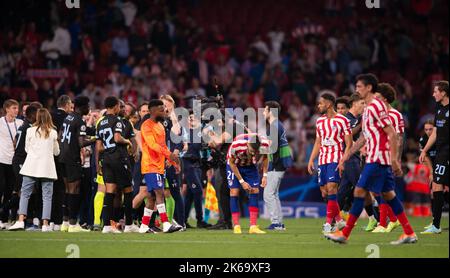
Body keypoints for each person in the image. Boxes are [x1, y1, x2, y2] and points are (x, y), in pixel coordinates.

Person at [326, 73, 417, 245]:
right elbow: (363, 138)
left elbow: (392, 133)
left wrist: (395, 160)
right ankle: (409, 232)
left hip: (378, 157)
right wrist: (346, 155)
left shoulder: (376, 107)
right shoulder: (368, 110)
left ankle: (345, 234)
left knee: (359, 191)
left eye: (360, 86)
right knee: (389, 194)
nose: (357, 89)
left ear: (369, 88)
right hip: (375, 157)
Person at [8, 108, 60, 232]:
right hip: (47, 168)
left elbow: (26, 149)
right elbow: (56, 152)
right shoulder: (53, 132)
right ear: (49, 118)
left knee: (25, 194)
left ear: (37, 117)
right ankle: (45, 224)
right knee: (47, 196)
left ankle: (20, 221)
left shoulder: (30, 131)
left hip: (31, 166)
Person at [307, 93, 352, 233]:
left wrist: (344, 160)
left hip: (336, 158)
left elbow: (349, 143)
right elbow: (318, 142)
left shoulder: (343, 120)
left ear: (328, 104)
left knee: (332, 187)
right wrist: (311, 160)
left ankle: (327, 223)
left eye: (321, 103)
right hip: (323, 159)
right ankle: (338, 220)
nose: (318, 106)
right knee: (325, 192)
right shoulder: (320, 121)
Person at [96, 96, 137, 233]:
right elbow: (117, 138)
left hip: (106, 159)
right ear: (115, 107)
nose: (121, 108)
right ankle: (130, 225)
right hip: (119, 158)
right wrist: (128, 142)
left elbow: (99, 147)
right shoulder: (117, 120)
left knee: (110, 191)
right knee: (128, 190)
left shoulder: (101, 123)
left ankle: (107, 226)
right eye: (119, 106)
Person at [140, 99, 181, 233]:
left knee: (151, 197)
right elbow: (152, 145)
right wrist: (170, 154)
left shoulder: (161, 126)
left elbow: (162, 146)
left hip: (159, 165)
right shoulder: (146, 125)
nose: (165, 111)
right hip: (150, 165)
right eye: (162, 109)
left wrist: (173, 161)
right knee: (160, 193)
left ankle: (144, 226)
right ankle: (166, 224)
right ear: (153, 111)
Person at [371, 83, 405, 233]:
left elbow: (398, 138)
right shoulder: (375, 113)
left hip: (388, 157)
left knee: (384, 189)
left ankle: (383, 223)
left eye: (377, 97)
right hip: (375, 156)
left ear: (384, 99)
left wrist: (396, 159)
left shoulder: (395, 115)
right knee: (378, 189)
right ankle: (393, 220)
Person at [59, 96, 95, 232]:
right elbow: (81, 143)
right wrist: (96, 139)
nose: (89, 108)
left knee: (67, 189)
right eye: (87, 106)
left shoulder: (68, 118)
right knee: (75, 189)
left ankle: (65, 222)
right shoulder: (79, 121)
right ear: (82, 107)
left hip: (62, 156)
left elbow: (60, 134)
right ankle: (74, 224)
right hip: (72, 158)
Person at [419, 80, 449, 234]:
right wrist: (425, 150)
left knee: (439, 185)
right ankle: (436, 225)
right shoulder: (438, 109)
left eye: (436, 91)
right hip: (442, 152)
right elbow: (436, 133)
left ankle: (436, 225)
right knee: (437, 185)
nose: (433, 94)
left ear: (443, 93)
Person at [227, 133, 269, 234]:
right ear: (248, 144)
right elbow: (232, 163)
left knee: (255, 190)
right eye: (251, 150)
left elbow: (266, 158)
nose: (253, 153)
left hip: (250, 166)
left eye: (255, 152)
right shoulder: (237, 145)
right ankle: (236, 225)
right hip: (235, 165)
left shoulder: (265, 145)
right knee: (234, 192)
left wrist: (265, 175)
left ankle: (253, 226)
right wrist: (242, 182)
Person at [263, 101, 293, 230]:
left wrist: (261, 148)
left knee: (268, 194)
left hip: (276, 164)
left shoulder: (274, 126)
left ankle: (276, 222)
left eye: (265, 110)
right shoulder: (277, 125)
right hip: (279, 163)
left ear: (271, 112)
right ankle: (279, 222)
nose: (263, 112)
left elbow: (272, 148)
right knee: (274, 194)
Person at [10, 104, 40, 224]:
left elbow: (14, 142)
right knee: (25, 190)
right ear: (32, 115)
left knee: (26, 190)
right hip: (21, 161)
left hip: (20, 160)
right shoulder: (28, 128)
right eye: (37, 114)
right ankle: (5, 212)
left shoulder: (24, 126)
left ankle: (26, 217)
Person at [183, 111, 211, 228]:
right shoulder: (184, 133)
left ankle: (183, 220)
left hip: (197, 164)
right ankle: (200, 220)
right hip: (188, 163)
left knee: (190, 194)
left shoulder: (199, 133)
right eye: (190, 118)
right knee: (198, 191)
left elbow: (205, 147)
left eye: (194, 118)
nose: (191, 120)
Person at [0, 99, 23, 229]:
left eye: (17, 108)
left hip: (13, 162)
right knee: (1, 189)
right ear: (7, 109)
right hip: (1, 160)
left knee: (10, 190)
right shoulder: (0, 122)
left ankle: (4, 219)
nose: (16, 110)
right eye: (14, 108)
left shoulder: (20, 123)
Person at [51, 95, 72, 231]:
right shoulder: (68, 118)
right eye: (70, 105)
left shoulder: (50, 116)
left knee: (49, 190)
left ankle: (50, 221)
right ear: (66, 105)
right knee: (63, 189)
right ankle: (60, 221)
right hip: (63, 157)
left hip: (49, 157)